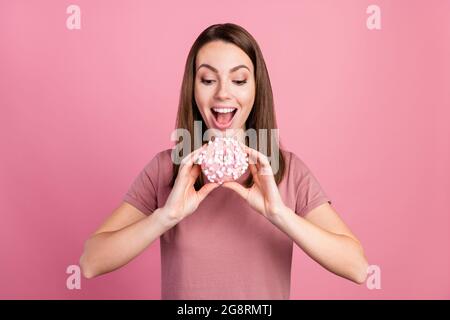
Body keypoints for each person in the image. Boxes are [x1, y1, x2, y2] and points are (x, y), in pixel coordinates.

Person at [79, 23, 369, 299]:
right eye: (207, 80)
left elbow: (357, 267)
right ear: (193, 89)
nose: (222, 92)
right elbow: (91, 262)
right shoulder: (167, 168)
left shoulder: (288, 171)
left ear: (256, 89)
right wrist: (165, 217)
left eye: (239, 80)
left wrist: (279, 214)